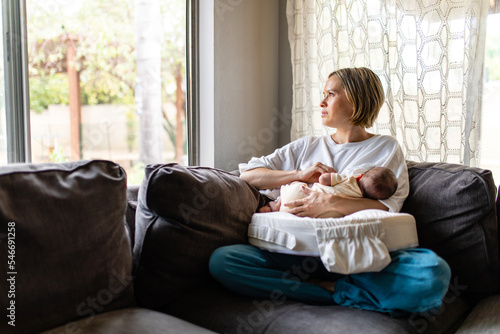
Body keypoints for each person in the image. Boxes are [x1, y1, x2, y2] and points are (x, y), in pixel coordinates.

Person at [209, 67, 451, 316]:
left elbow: (387, 206)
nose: (321, 101)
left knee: (432, 272)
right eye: (323, 94)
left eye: (331, 94)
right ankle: (336, 291)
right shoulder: (306, 146)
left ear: (356, 100)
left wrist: (333, 203)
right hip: (295, 252)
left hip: (359, 255)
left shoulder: (385, 147)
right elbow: (249, 175)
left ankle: (329, 288)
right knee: (224, 261)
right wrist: (298, 175)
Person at [259, 166, 398, 218]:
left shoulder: (350, 180)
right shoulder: (360, 202)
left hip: (299, 194)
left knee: (296, 185)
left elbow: (324, 179)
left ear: (361, 176)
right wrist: (298, 173)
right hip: (312, 215)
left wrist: (326, 176)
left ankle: (275, 205)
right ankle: (275, 208)